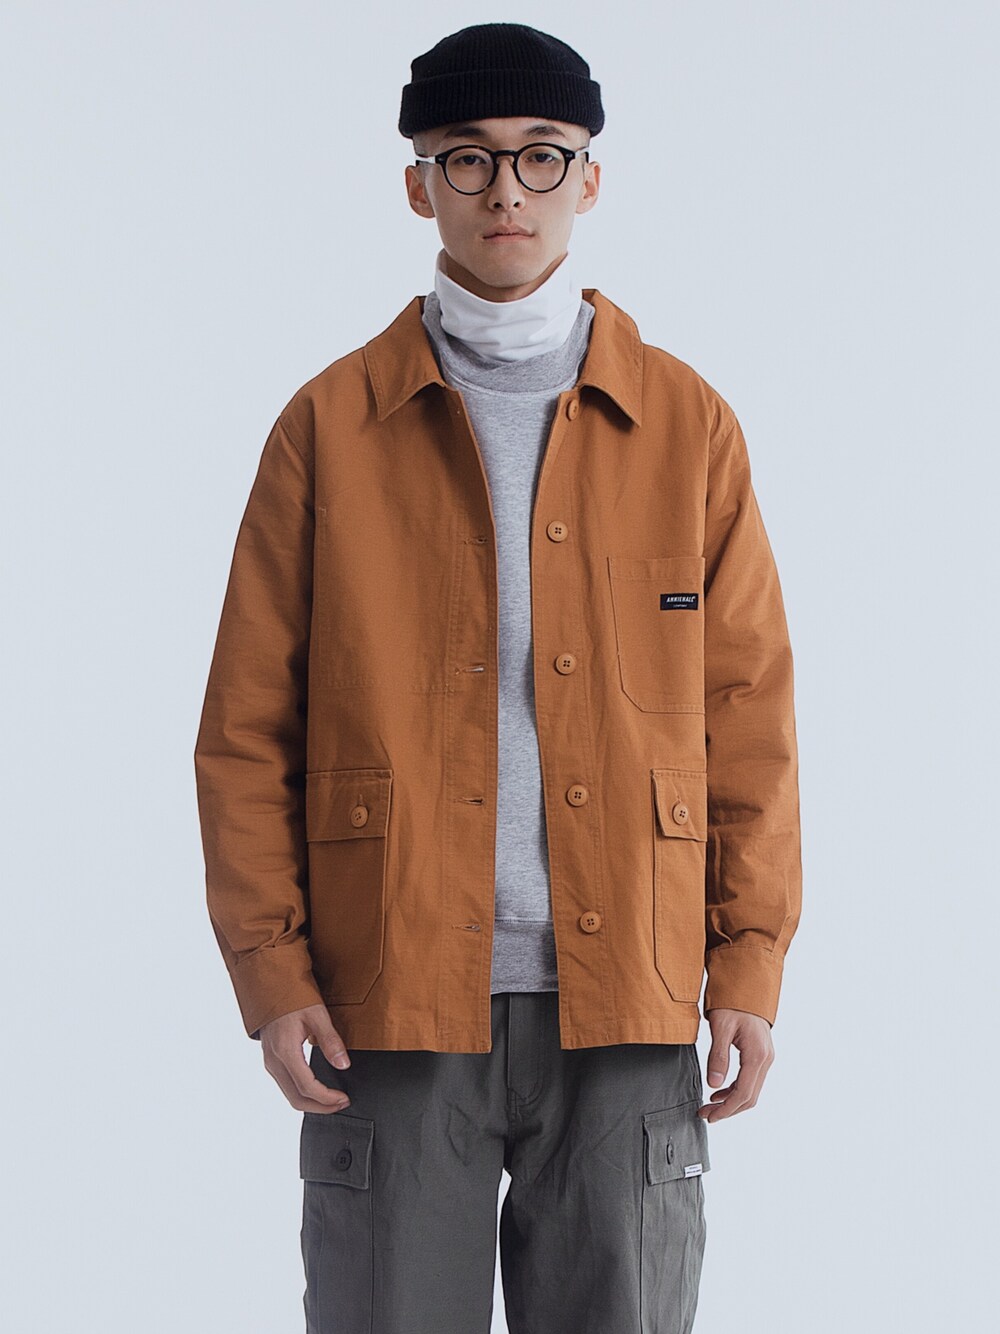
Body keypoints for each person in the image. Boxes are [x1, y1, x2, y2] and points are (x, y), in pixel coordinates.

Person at [193, 21, 802, 1334]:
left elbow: (747, 720)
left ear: (592, 178)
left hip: (630, 997)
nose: (507, 190)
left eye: (542, 155)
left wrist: (748, 961)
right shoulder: (327, 427)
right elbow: (245, 730)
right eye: (467, 158)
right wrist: (272, 969)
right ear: (419, 185)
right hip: (388, 999)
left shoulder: (687, 425)